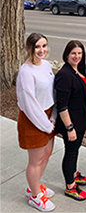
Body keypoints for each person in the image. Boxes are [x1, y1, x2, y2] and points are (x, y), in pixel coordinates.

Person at [16, 33, 56, 212]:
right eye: (37, 47)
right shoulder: (25, 71)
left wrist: (53, 118)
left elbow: (52, 92)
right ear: (28, 48)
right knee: (35, 160)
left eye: (44, 46)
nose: (42, 50)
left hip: (48, 116)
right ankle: (34, 196)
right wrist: (46, 125)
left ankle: (35, 186)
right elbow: (29, 104)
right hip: (33, 119)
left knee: (46, 155)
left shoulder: (46, 64)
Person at [54, 40, 86, 201]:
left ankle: (74, 174)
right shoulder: (64, 75)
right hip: (71, 123)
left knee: (75, 151)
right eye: (73, 53)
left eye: (79, 53)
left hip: (80, 120)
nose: (77, 56)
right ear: (66, 55)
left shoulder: (78, 70)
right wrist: (69, 128)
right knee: (70, 153)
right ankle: (70, 186)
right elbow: (62, 105)